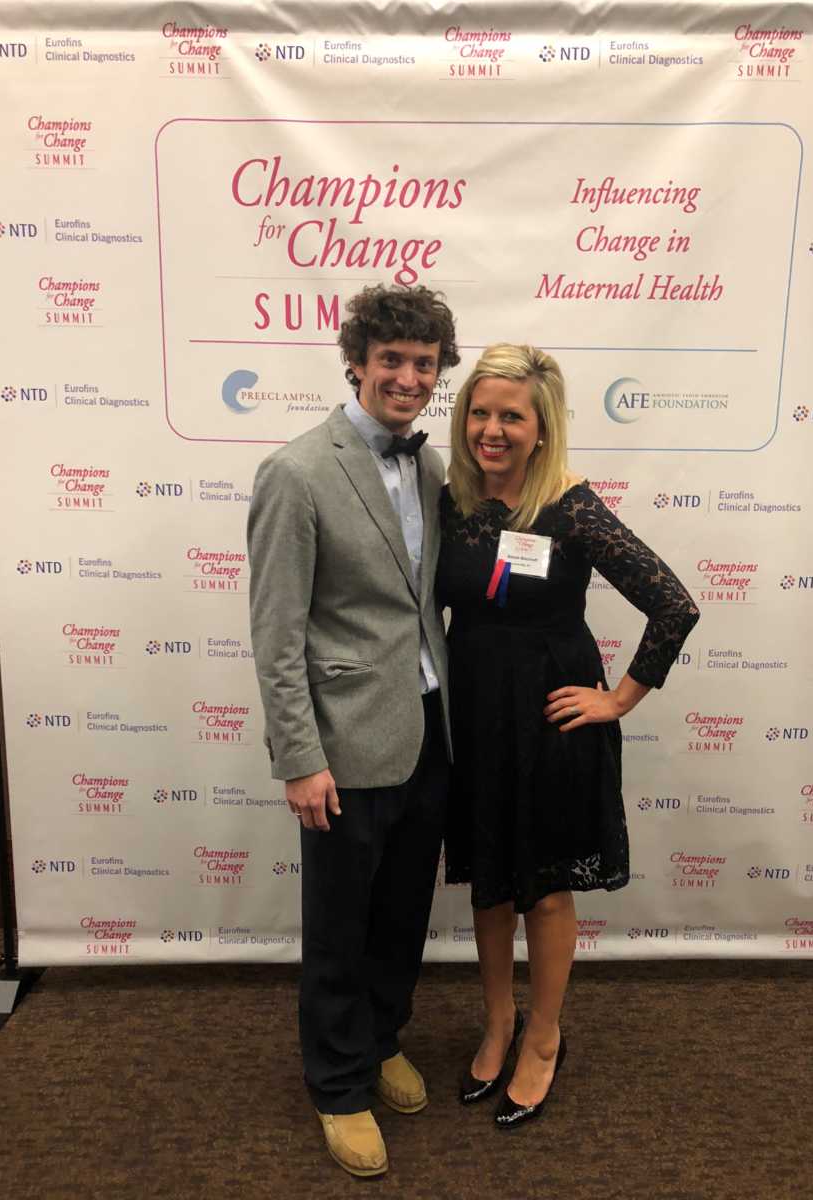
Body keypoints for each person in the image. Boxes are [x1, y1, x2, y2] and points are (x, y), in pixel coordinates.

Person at [437, 344, 699, 1128]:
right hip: (476, 710)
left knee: (543, 889)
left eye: (510, 416)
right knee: (490, 879)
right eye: (480, 412)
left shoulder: (572, 505)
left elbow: (673, 604)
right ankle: (498, 1022)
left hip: (551, 717)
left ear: (541, 427)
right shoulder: (450, 497)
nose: (492, 429)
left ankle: (544, 1036)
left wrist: (618, 699)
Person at [247, 284, 460, 1177]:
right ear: (357, 362)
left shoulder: (434, 467)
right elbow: (277, 630)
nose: (408, 377)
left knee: (402, 914)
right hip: (342, 745)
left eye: (424, 364)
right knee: (339, 925)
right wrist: (300, 760)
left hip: (425, 728)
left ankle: (378, 1041)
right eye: (392, 360)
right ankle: (337, 1083)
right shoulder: (297, 472)